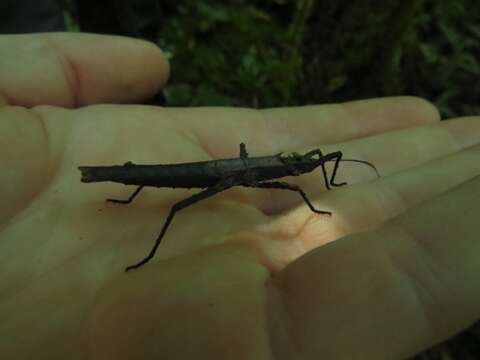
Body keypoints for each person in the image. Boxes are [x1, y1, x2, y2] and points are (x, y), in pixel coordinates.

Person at [0, 32, 479, 359]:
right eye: (311, 167)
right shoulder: (283, 176)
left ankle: (117, 184)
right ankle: (135, 223)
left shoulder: (290, 167)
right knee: (173, 189)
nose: (309, 169)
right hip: (219, 173)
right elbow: (293, 175)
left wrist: (324, 177)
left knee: (171, 182)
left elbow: (308, 163)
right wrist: (316, 195)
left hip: (228, 171)